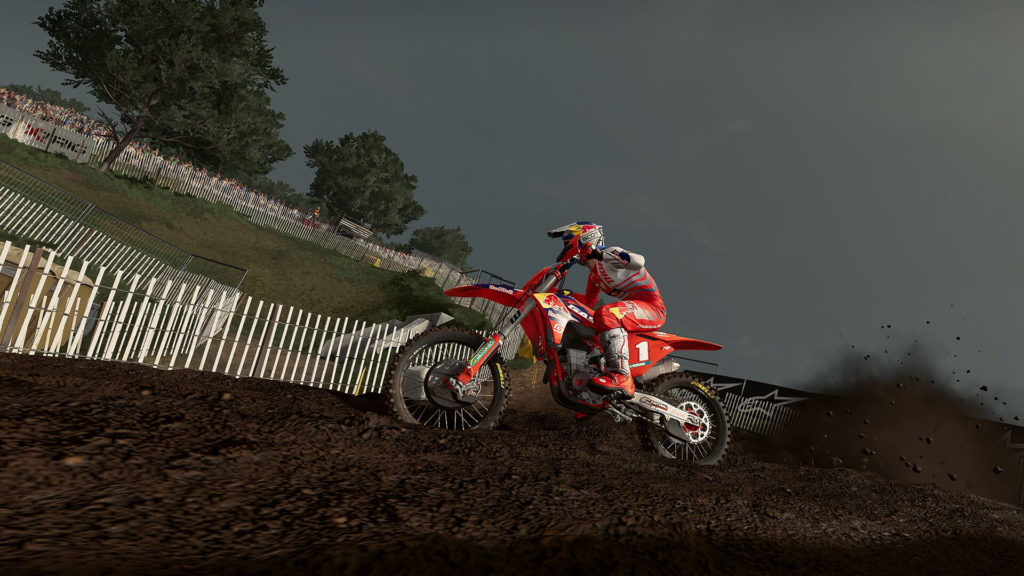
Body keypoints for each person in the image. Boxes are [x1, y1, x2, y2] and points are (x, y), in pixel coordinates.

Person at [548, 221, 666, 400]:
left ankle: (622, 376)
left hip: (653, 308)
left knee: (606, 313)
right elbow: (588, 302)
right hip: (635, 310)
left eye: (567, 242)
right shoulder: (594, 275)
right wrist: (563, 295)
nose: (565, 247)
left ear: (584, 238)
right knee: (594, 318)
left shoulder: (611, 253)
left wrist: (601, 254)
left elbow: (639, 261)